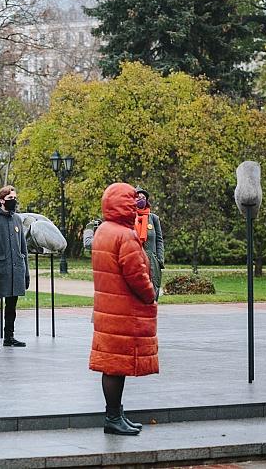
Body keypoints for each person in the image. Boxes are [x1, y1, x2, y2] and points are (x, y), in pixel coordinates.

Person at [89, 183, 157, 436]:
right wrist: (150, 295)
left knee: (113, 363)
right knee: (116, 365)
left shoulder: (104, 230)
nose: (137, 206)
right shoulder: (124, 234)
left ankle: (116, 415)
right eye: (133, 202)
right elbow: (136, 274)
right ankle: (113, 417)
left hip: (109, 307)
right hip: (124, 308)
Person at [0, 185, 29, 348]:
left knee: (12, 305)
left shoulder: (16, 219)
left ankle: (9, 335)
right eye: (10, 199)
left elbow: (23, 247)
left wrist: (26, 272)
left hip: (15, 268)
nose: (13, 201)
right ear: (1, 200)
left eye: (15, 198)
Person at [134, 187, 165, 301]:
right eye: (138, 197)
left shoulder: (153, 218)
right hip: (135, 258)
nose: (141, 199)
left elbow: (159, 240)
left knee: (153, 287)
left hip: (151, 258)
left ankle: (150, 309)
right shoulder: (129, 217)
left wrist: (159, 259)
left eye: (143, 198)